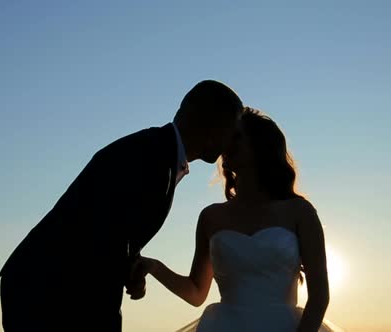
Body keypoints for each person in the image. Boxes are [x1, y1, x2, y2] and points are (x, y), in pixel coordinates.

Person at [0, 80, 244, 332]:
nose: (231, 144)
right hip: (45, 292)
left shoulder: (158, 153)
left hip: (48, 287)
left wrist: (131, 269)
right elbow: (103, 242)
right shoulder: (152, 158)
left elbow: (115, 231)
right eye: (231, 132)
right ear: (212, 125)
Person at [134, 107, 343, 332]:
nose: (226, 144)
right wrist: (155, 267)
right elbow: (196, 292)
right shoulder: (211, 217)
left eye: (236, 137)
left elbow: (319, 297)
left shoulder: (300, 212)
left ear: (260, 147)